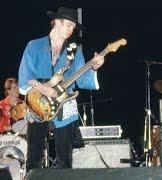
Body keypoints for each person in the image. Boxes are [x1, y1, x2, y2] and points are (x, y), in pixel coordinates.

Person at [18, 7, 105, 172]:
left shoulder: (74, 50)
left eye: (73, 27)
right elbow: (25, 76)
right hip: (37, 103)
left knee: (65, 160)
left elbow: (82, 80)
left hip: (66, 104)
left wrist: (93, 68)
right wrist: (42, 88)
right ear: (56, 22)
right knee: (33, 158)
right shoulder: (34, 46)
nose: (71, 30)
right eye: (69, 25)